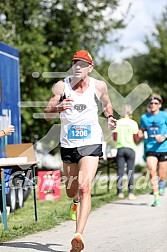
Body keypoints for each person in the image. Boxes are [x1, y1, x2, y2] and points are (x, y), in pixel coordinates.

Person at [44, 50, 117, 252]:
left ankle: (78, 235)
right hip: (68, 144)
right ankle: (74, 201)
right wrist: (57, 109)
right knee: (71, 190)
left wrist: (110, 117)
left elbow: (107, 104)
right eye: (75, 63)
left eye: (83, 64)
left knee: (85, 187)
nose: (78, 66)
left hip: (91, 141)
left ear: (90, 68)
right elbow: (46, 114)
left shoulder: (98, 86)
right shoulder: (61, 86)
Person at [138, 94, 167, 207]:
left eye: (155, 103)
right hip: (150, 148)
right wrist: (140, 133)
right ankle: (156, 197)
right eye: (151, 103)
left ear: (159, 105)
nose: (153, 105)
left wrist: (164, 137)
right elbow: (142, 129)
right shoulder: (144, 117)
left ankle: (161, 185)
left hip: (163, 147)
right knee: (151, 169)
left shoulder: (164, 115)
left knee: (162, 174)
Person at [113, 104, 139, 200]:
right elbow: (136, 139)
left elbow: (115, 138)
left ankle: (120, 192)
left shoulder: (118, 123)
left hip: (120, 148)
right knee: (130, 171)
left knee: (120, 171)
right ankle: (130, 193)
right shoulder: (133, 123)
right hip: (131, 148)